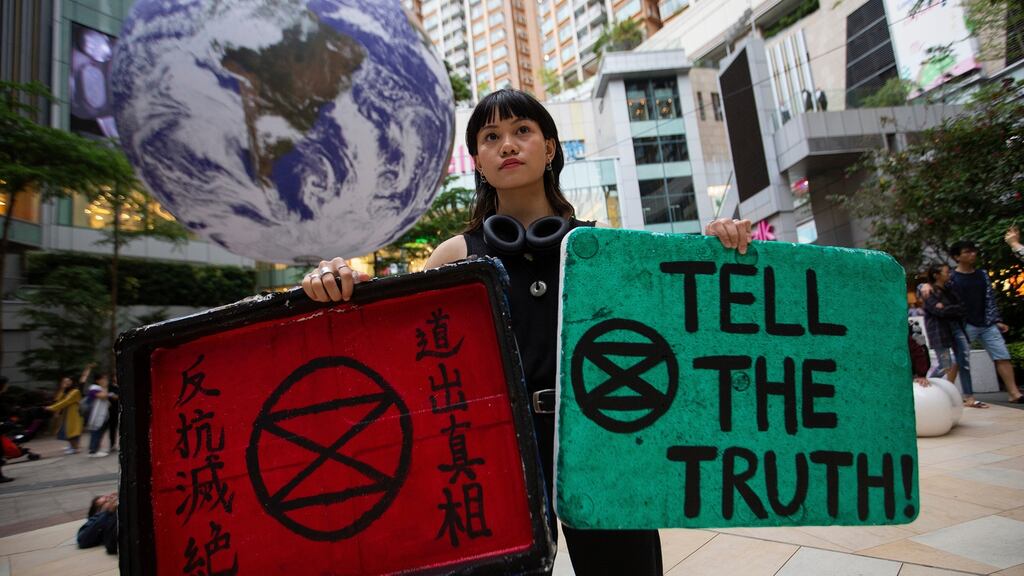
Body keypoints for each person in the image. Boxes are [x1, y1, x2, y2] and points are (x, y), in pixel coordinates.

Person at [302, 89, 753, 575]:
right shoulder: (455, 257)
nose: (508, 145)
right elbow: (394, 347)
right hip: (496, 449)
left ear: (550, 147)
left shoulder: (600, 248)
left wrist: (716, 250)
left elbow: (675, 322)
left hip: (602, 439)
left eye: (522, 131)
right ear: (476, 160)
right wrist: (336, 285)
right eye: (491, 137)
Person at [948, 240, 1023, 403]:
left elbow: (990, 299)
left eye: (973, 251)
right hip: (964, 325)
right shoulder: (951, 278)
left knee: (1002, 355)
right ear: (957, 257)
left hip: (987, 323)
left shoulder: (981, 274)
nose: (972, 254)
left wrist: (996, 320)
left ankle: (1014, 393)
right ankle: (946, 393)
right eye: (967, 252)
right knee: (958, 360)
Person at [922, 264, 982, 407]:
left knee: (964, 362)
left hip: (956, 329)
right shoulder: (927, 291)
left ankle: (969, 396)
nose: (950, 274)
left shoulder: (951, 288)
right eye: (946, 272)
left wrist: (946, 307)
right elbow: (938, 311)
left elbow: (962, 308)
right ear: (937, 275)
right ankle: (924, 387)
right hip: (939, 331)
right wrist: (949, 309)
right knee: (945, 365)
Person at [45, 364, 94, 454]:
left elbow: (65, 402)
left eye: (68, 381)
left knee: (72, 432)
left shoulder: (75, 391)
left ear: (72, 381)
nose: (66, 383)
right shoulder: (66, 391)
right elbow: (58, 400)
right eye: (64, 381)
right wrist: (62, 389)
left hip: (75, 415)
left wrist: (52, 408)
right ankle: (73, 447)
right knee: (69, 431)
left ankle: (75, 448)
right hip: (68, 415)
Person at [85, 373, 112, 457]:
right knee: (96, 431)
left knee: (100, 431)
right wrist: (105, 387)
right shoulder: (94, 387)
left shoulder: (99, 388)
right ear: (98, 380)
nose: (105, 381)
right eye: (103, 379)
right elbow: (103, 396)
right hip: (95, 414)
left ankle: (96, 448)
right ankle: (93, 451)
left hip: (102, 414)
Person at [106, 376, 120, 453]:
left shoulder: (121, 386)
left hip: (120, 409)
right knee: (112, 428)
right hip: (112, 411)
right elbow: (113, 397)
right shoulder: (110, 386)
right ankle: (112, 445)